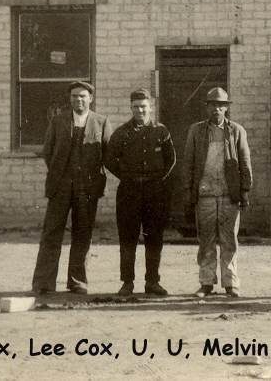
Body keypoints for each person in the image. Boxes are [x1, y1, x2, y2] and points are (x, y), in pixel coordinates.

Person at [30, 81, 113, 296]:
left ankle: (77, 282)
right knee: (51, 233)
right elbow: (48, 151)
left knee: (82, 234)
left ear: (91, 99)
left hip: (87, 188)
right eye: (75, 96)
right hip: (60, 187)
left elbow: (108, 154)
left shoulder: (101, 122)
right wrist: (60, 174)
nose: (79, 100)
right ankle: (44, 283)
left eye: (83, 96)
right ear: (70, 99)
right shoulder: (57, 121)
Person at [181, 88, 253, 298]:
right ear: (207, 107)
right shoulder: (196, 131)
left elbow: (245, 163)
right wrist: (188, 190)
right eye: (213, 104)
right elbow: (188, 163)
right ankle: (206, 282)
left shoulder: (237, 131)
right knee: (206, 239)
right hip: (205, 193)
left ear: (227, 108)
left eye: (221, 105)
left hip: (229, 194)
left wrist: (245, 190)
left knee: (230, 239)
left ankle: (231, 283)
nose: (217, 109)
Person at [105, 89, 176, 296]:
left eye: (144, 106)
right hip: (129, 191)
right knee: (128, 237)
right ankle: (127, 282)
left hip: (155, 192)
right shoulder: (121, 133)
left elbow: (171, 160)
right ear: (131, 108)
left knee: (154, 237)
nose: (140, 110)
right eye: (136, 106)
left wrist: (157, 179)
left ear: (151, 107)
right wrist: (127, 177)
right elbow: (110, 160)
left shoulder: (161, 131)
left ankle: (152, 282)